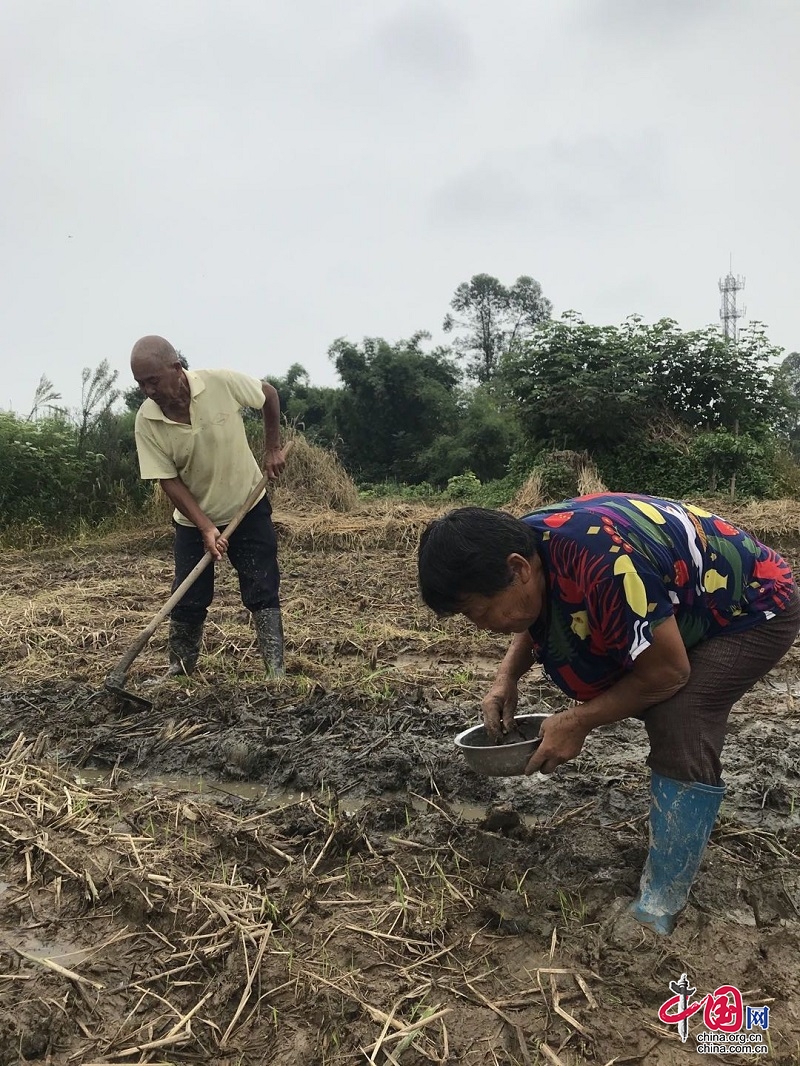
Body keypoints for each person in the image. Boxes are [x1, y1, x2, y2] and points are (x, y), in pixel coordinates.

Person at [417, 493, 799, 935]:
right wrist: (506, 678)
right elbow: (538, 611)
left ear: (518, 568)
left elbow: (668, 672)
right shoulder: (525, 547)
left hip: (752, 606)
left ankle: (665, 894)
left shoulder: (602, 561)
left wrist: (578, 721)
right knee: (647, 683)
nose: (480, 625)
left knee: (678, 713)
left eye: (479, 612)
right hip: (684, 602)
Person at [130, 335, 287, 679]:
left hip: (247, 507)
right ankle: (181, 668)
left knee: (262, 585)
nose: (148, 390)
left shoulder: (220, 383)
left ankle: (275, 670)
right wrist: (204, 526)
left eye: (153, 380)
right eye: (141, 384)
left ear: (176, 368)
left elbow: (269, 395)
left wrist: (272, 446)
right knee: (188, 597)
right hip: (192, 521)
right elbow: (168, 479)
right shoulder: (147, 420)